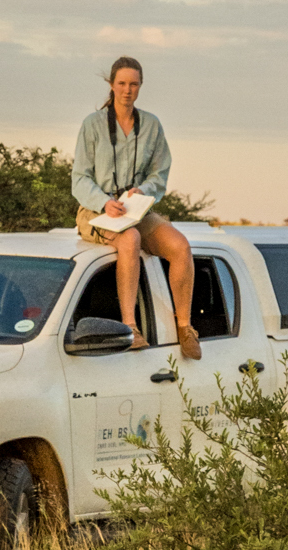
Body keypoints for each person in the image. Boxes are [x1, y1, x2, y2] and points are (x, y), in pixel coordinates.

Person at [72, 57, 200, 360]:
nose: (127, 90)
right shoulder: (92, 125)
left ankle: (185, 327)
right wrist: (105, 201)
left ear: (140, 86)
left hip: (136, 209)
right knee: (129, 240)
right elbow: (79, 179)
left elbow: (161, 174)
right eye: (122, 84)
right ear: (111, 85)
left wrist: (143, 191)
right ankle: (130, 327)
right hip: (97, 210)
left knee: (180, 246)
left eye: (133, 84)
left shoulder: (151, 125)